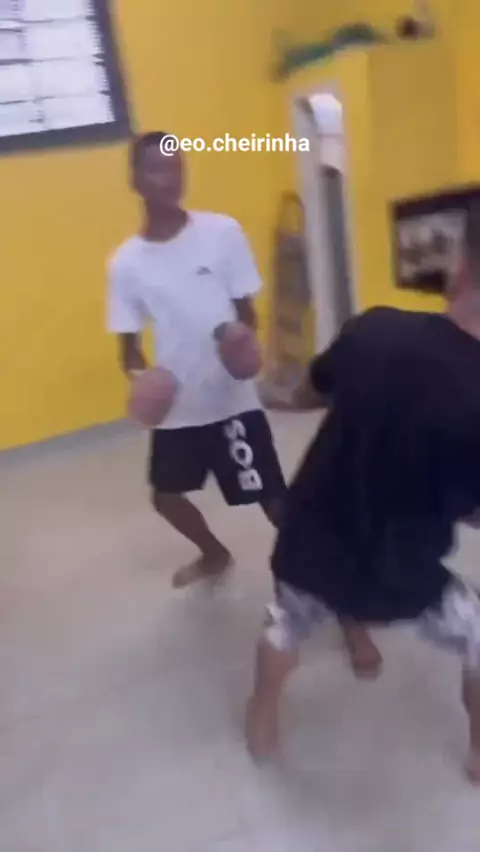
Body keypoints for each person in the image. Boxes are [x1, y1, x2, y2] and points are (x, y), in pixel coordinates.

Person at [246, 203, 480, 784]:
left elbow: (307, 393)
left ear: (458, 268)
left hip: (308, 545)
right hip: (398, 575)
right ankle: (478, 751)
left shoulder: (372, 329)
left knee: (284, 625)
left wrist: (267, 391)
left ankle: (261, 716)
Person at [106, 131, 286, 588]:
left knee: (271, 498)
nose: (170, 179)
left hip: (230, 401)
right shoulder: (126, 263)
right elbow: (129, 347)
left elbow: (247, 312)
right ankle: (214, 554)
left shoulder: (221, 233)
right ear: (135, 180)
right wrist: (142, 380)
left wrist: (241, 342)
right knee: (165, 497)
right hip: (178, 407)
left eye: (177, 167)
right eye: (157, 169)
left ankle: (317, 578)